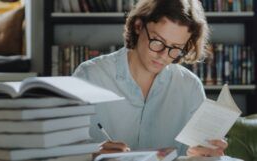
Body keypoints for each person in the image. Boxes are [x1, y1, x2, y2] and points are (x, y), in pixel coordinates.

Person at [73, 0, 228, 157]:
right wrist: (90, 155)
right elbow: (60, 152)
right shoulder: (89, 76)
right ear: (138, 26)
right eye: (158, 41)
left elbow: (200, 153)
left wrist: (208, 154)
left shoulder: (190, 87)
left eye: (175, 48)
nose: (163, 55)